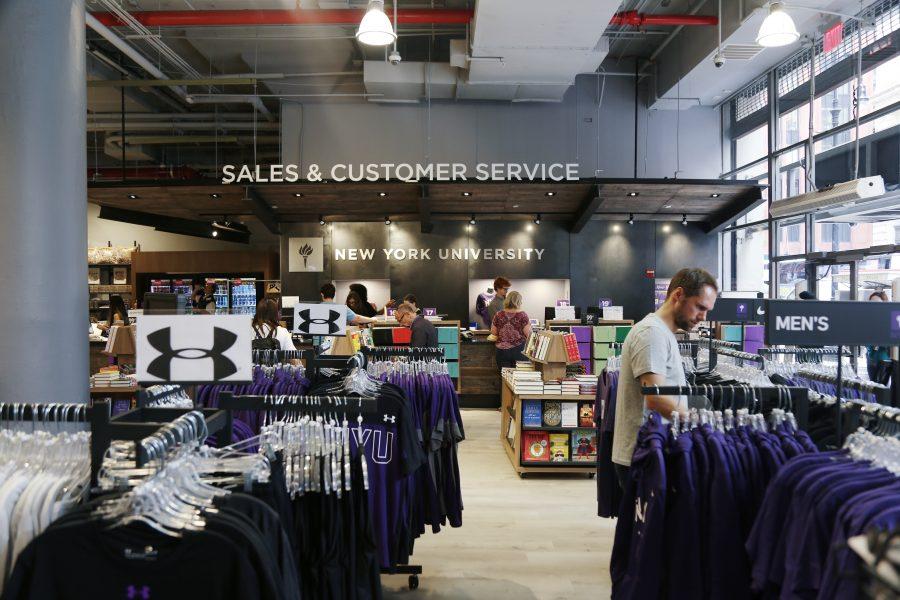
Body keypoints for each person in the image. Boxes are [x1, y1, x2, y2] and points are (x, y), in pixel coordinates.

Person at [611, 267, 718, 491]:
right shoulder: (652, 334)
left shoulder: (662, 333)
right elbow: (656, 398)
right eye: (700, 307)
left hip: (653, 451)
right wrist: (703, 427)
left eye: (707, 310)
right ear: (678, 295)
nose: (703, 317)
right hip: (644, 456)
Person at [491, 291, 532, 369]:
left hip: (502, 351)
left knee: (505, 378)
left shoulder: (498, 314)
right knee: (519, 377)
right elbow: (528, 334)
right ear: (519, 301)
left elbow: (493, 332)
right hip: (519, 350)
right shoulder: (523, 315)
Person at [866, 291, 891, 382]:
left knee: (881, 389)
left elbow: (892, 340)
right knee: (873, 387)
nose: (874, 306)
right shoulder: (869, 318)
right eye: (871, 303)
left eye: (877, 303)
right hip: (871, 358)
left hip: (884, 359)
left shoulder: (889, 318)